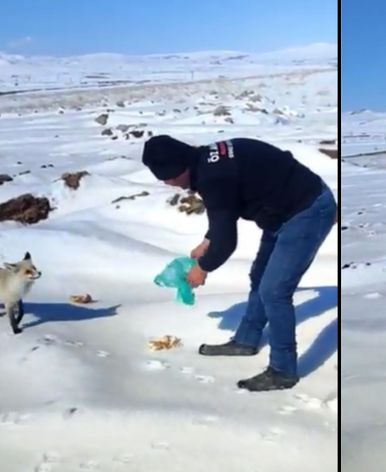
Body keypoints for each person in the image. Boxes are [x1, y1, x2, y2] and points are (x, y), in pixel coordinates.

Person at [142, 135, 336, 391]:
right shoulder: (205, 163)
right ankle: (246, 341)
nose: (167, 183)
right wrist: (207, 242)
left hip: (308, 211)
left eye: (167, 177)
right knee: (260, 277)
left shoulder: (214, 177)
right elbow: (224, 213)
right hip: (280, 213)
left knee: (275, 291)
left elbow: (227, 242)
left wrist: (203, 268)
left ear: (181, 167)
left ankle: (283, 371)